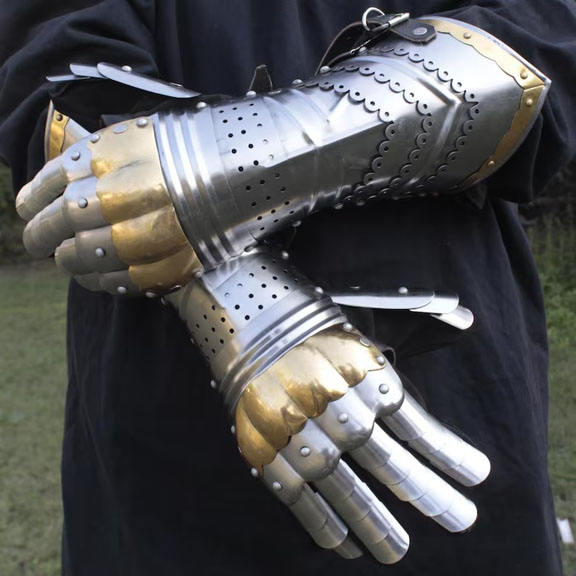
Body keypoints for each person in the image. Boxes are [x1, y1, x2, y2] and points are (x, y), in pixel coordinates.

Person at [1, 1, 575, 575]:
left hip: (452, 379)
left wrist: (209, 169)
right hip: (173, 419)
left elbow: (536, 52)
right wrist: (252, 313)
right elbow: (64, 97)